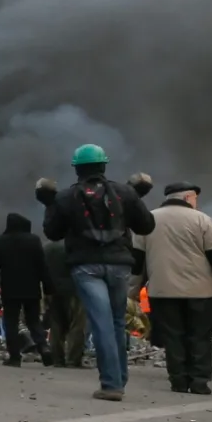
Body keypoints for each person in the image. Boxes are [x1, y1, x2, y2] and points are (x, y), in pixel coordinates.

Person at [39, 144, 155, 402]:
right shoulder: (124, 193)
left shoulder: (66, 197)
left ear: (77, 168)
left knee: (101, 322)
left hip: (86, 266)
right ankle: (118, 378)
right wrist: (134, 201)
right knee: (115, 322)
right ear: (104, 166)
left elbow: (53, 232)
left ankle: (112, 384)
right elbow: (146, 225)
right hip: (119, 265)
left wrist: (49, 203)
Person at [133, 182, 212, 395]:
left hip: (162, 293)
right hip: (200, 293)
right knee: (200, 336)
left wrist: (130, 294)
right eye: (195, 198)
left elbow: (136, 263)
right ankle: (199, 382)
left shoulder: (148, 220)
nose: (196, 203)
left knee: (173, 337)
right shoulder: (203, 220)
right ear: (187, 198)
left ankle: (178, 381)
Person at [0, 214, 54, 367]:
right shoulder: (34, 240)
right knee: (34, 320)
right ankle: (43, 347)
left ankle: (15, 357)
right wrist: (48, 289)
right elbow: (43, 267)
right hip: (32, 288)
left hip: (10, 289)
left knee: (11, 322)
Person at [43, 240, 88, 366]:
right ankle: (73, 359)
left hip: (53, 291)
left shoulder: (47, 248)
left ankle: (57, 359)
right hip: (75, 289)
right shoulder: (79, 246)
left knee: (56, 325)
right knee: (77, 325)